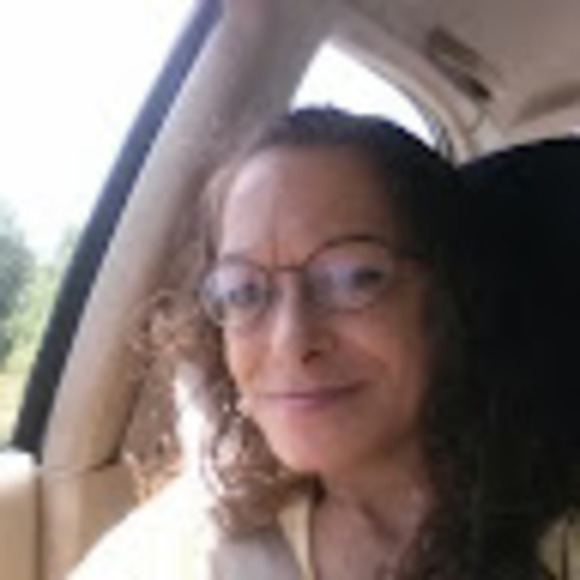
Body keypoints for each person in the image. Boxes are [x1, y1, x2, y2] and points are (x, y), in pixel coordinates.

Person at [70, 108, 579, 580]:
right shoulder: (178, 550)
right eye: (244, 291)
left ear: (450, 294)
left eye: (354, 278)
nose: (290, 342)